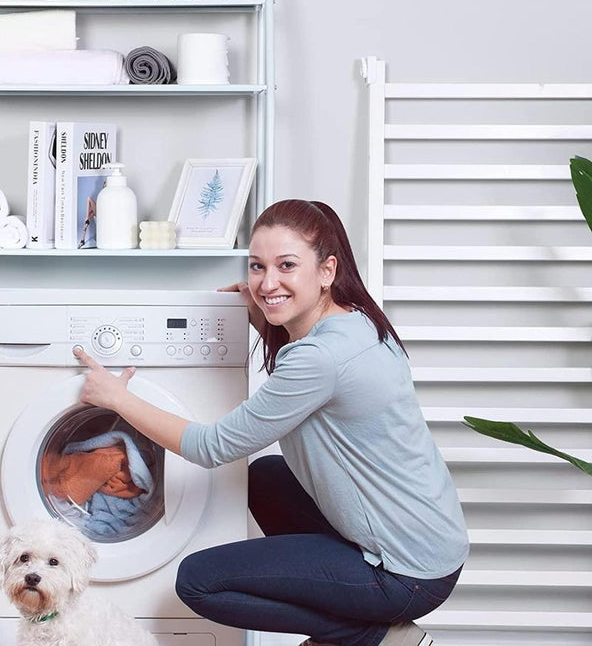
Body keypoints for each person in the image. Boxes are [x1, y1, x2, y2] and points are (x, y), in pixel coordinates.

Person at [74, 199, 469, 646]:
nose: (267, 283)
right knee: (263, 475)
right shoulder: (356, 323)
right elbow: (316, 385)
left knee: (198, 581)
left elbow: (210, 447)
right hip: (431, 542)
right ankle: (360, 612)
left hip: (405, 573)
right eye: (257, 267)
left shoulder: (318, 358)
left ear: (326, 271)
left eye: (286, 266)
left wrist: (118, 399)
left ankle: (375, 634)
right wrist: (266, 319)